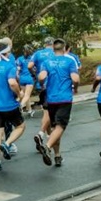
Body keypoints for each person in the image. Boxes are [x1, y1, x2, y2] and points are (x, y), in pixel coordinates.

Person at [35, 39, 79, 167]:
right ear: (64, 49)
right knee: (61, 127)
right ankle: (47, 147)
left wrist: (43, 84)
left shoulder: (47, 62)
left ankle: (57, 155)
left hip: (51, 99)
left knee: (55, 128)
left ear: (53, 49)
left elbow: (41, 77)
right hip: (64, 98)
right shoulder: (70, 61)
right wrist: (75, 87)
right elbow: (75, 78)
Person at [0, 42, 27, 171]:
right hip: (9, 105)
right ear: (7, 52)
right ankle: (7, 143)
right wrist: (19, 93)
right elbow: (12, 82)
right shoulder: (10, 66)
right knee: (20, 126)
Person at [28, 37, 56, 138]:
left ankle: (48, 134)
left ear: (45, 44)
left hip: (42, 83)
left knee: (46, 109)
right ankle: (42, 132)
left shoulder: (37, 53)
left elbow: (30, 65)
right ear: (53, 44)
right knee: (50, 110)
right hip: (53, 84)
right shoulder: (55, 53)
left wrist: (35, 74)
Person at [16, 45, 36, 113]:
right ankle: (19, 106)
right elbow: (34, 68)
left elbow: (17, 70)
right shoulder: (32, 59)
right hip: (29, 78)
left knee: (23, 93)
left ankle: (29, 110)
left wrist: (18, 78)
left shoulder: (19, 59)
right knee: (27, 95)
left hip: (22, 78)